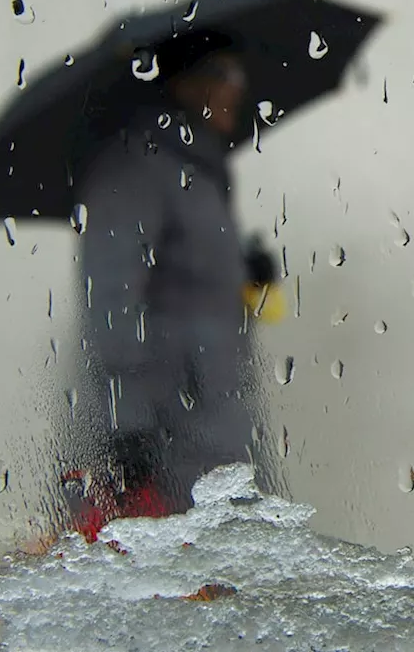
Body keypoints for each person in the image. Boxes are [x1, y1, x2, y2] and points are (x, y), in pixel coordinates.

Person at [57, 35, 276, 543]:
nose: (237, 91)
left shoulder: (198, 171)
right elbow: (110, 299)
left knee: (222, 579)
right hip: (162, 433)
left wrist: (247, 271)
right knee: (167, 585)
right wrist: (127, 429)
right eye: (227, 75)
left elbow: (187, 285)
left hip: (212, 420)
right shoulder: (134, 167)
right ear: (184, 81)